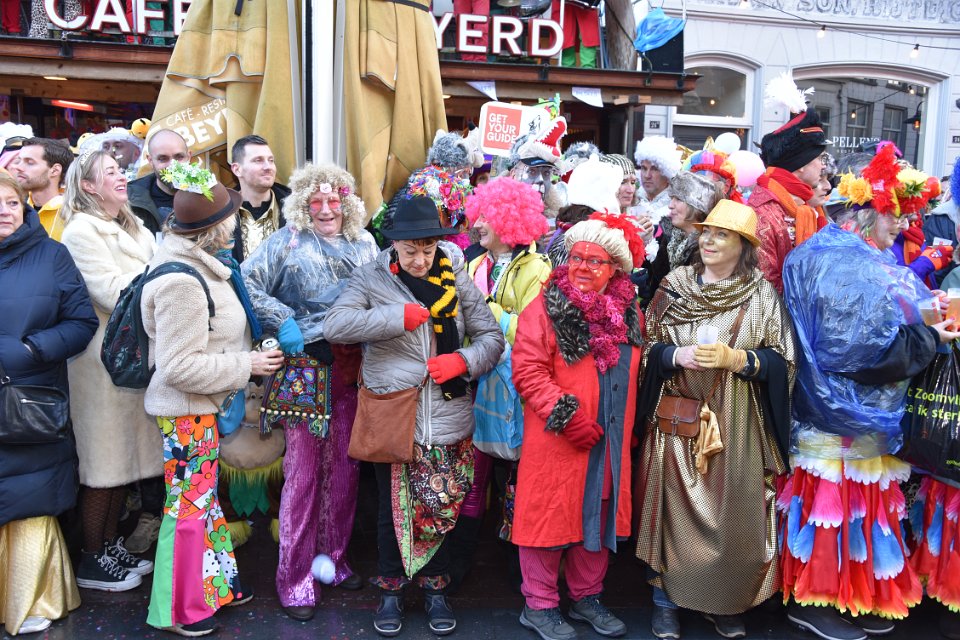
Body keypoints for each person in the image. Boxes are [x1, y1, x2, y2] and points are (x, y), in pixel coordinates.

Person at [779, 145, 957, 640]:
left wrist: (922, 312)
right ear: (864, 210)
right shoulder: (844, 263)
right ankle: (816, 601)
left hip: (849, 417)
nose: (903, 223)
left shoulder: (845, 255)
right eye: (894, 212)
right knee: (832, 512)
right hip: (837, 418)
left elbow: (871, 329)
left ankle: (853, 596)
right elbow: (858, 352)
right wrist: (929, 337)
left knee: (858, 508)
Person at [324, 196, 503, 637]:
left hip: (446, 413)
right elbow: (336, 325)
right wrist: (393, 317)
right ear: (394, 246)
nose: (420, 260)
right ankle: (391, 592)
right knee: (392, 512)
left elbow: (491, 337)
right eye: (410, 252)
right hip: (393, 415)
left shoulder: (455, 274)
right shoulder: (371, 276)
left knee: (440, 506)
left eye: (428, 249)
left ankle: (435, 591)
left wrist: (462, 361)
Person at [634, 200, 796, 640]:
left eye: (721, 234)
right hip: (677, 418)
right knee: (670, 510)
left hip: (738, 421)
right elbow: (644, 348)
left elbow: (785, 360)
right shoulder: (674, 286)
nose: (708, 240)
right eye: (706, 232)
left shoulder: (761, 294)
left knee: (734, 512)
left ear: (743, 246)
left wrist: (739, 359)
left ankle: (725, 602)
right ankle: (665, 603)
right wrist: (673, 356)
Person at [141, 166, 279, 637]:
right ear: (216, 228)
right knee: (188, 509)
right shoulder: (182, 281)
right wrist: (248, 365)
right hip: (187, 413)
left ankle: (217, 586)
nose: (237, 222)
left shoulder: (197, 262)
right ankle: (180, 609)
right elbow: (178, 367)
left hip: (199, 411)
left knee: (201, 502)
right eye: (231, 216)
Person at [242, 163, 379, 620]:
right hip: (304, 368)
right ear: (302, 204)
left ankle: (333, 560)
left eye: (334, 200)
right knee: (303, 477)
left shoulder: (365, 242)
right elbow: (247, 282)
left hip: (352, 368)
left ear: (347, 202)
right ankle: (295, 577)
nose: (325, 209)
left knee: (344, 471)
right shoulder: (285, 242)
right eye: (315, 201)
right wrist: (283, 319)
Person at [511, 211, 646, 640]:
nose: (583, 267)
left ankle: (587, 597)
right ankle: (539, 605)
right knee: (549, 514)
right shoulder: (544, 308)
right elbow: (528, 372)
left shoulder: (630, 312)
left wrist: (631, 427)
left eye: (595, 260)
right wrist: (567, 417)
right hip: (558, 438)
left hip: (610, 439)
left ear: (615, 268)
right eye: (577, 257)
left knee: (599, 515)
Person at [0, 170, 97, 636]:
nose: (4, 211)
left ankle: (33, 596)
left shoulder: (52, 255)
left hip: (30, 401)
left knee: (30, 499)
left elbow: (81, 322)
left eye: (11, 203)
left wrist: (31, 349)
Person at [59, 150, 159, 593]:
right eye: (111, 172)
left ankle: (108, 545)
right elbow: (110, 291)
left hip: (133, 360)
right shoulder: (81, 231)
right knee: (103, 468)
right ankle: (90, 557)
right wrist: (167, 285)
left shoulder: (134, 225)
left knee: (124, 464)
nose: (122, 177)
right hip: (102, 366)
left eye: (122, 170)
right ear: (88, 186)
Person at [454, 177, 551, 591]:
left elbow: (532, 332)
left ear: (510, 221)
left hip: (516, 392)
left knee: (515, 479)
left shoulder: (536, 269)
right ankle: (459, 565)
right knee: (473, 476)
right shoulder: (475, 265)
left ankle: (518, 569)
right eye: (478, 215)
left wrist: (487, 312)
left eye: (487, 218)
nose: (477, 224)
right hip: (475, 385)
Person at [749, 74, 829, 294]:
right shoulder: (763, 213)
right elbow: (765, 287)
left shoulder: (804, 206)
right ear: (800, 164)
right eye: (819, 158)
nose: (823, 166)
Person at [643, 170, 724, 301]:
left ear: (697, 207)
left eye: (679, 199)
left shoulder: (709, 251)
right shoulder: (669, 239)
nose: (670, 205)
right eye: (671, 198)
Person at [229, 134, 291, 263]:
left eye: (271, 160)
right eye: (258, 160)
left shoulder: (296, 208)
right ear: (237, 169)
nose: (268, 167)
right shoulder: (220, 213)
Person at [128, 129, 191, 235]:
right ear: (150, 161)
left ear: (189, 157)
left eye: (179, 157)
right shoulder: (129, 201)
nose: (172, 165)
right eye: (163, 159)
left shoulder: (209, 193)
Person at [12, 137, 72, 241]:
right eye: (19, 161)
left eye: (30, 162)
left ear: (54, 170)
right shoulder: (13, 208)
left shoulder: (72, 215)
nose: (18, 167)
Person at [632, 136, 682, 226]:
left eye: (654, 169)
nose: (647, 175)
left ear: (667, 172)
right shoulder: (631, 200)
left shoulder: (676, 207)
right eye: (644, 168)